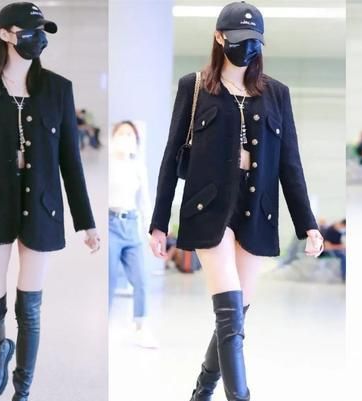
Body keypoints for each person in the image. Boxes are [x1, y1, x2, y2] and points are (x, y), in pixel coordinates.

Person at [147, 2, 324, 400]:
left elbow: (290, 164)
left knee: (236, 319)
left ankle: (202, 391)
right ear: (219, 37)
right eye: (240, 40)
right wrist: (159, 222)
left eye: (254, 41)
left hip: (257, 210)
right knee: (228, 314)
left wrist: (308, 224)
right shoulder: (195, 87)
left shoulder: (277, 94)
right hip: (208, 207)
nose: (248, 48)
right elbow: (171, 155)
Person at [0, 3, 100, 400]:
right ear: (5, 34)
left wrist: (87, 222)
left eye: (43, 32)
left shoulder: (58, 89)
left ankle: (22, 391)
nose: (38, 39)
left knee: (30, 308)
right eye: (30, 32)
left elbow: (71, 162)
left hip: (42, 205)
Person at [108, 120, 157, 348]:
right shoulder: (109, 165)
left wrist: (151, 231)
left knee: (141, 279)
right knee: (109, 280)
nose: (126, 138)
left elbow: (144, 202)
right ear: (113, 136)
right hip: (110, 223)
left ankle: (140, 327)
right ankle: (105, 326)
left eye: (130, 135)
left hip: (131, 225)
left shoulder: (138, 167)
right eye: (121, 133)